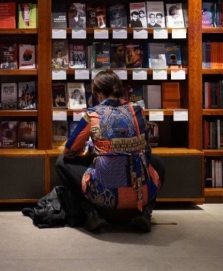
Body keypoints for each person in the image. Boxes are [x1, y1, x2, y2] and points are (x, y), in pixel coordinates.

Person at [56, 70, 165, 233]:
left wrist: (94, 151)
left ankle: (92, 214)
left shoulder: (93, 114)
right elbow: (146, 149)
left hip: (105, 194)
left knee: (61, 162)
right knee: (158, 163)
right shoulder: (137, 111)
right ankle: (145, 213)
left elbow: (69, 150)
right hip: (139, 193)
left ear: (98, 94)